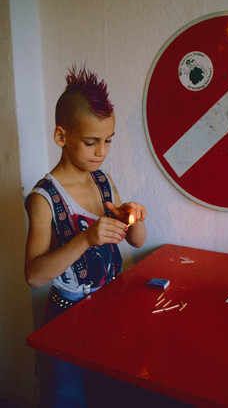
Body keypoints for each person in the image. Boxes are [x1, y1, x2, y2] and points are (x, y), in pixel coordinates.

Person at [25, 66, 147, 407]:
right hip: (67, 317)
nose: (101, 152)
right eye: (91, 142)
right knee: (71, 397)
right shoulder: (43, 198)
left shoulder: (103, 181)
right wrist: (86, 239)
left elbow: (136, 240)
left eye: (108, 141)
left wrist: (133, 218)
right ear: (61, 137)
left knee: (110, 392)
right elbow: (34, 276)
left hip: (111, 309)